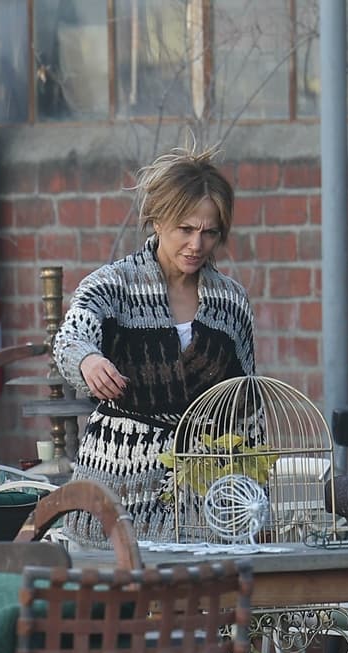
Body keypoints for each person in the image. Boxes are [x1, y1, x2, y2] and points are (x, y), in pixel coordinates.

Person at [53, 145, 256, 545]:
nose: (197, 245)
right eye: (185, 228)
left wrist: (250, 490)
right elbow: (70, 338)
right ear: (158, 221)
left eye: (209, 232)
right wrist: (89, 361)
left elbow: (245, 404)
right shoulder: (113, 285)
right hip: (115, 489)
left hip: (200, 499)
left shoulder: (232, 302)